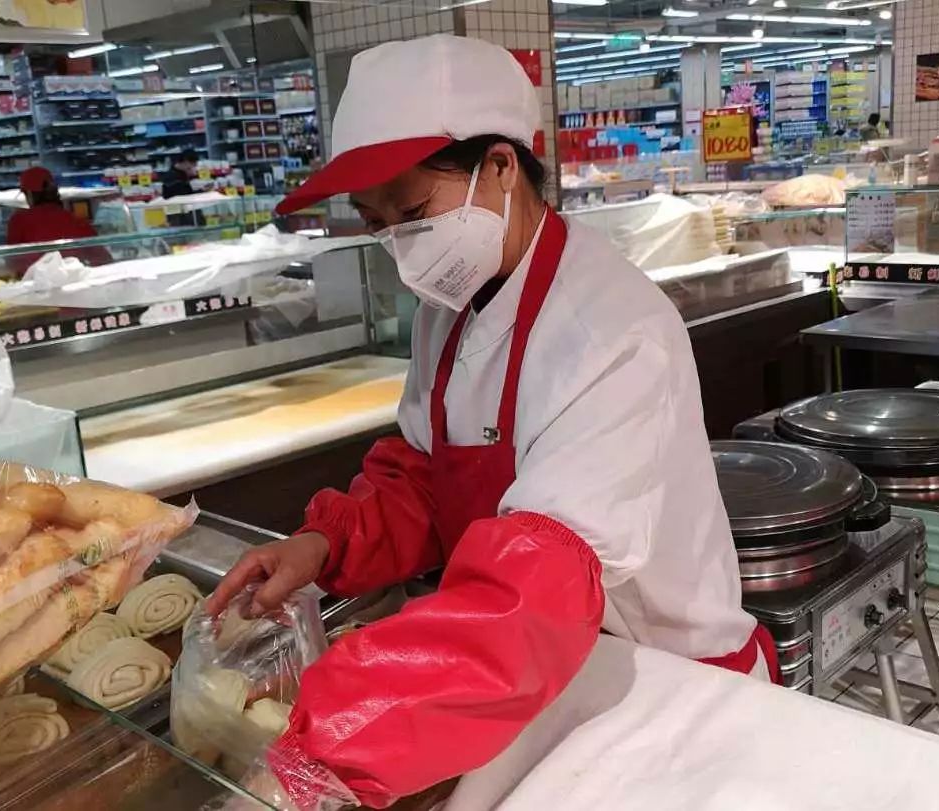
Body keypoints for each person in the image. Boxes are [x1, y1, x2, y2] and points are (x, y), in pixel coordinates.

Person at [207, 34, 779, 810]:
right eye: (375, 222)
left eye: (413, 212)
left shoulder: (613, 332)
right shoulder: (450, 307)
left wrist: (333, 734)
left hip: (661, 684)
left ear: (502, 166)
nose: (400, 245)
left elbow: (534, 591)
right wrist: (326, 542)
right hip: (533, 677)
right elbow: (426, 473)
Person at [6, 166, 108, 275]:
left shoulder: (19, 220)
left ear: (29, 193)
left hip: (37, 282)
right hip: (75, 281)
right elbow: (103, 259)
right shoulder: (75, 219)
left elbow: (12, 263)